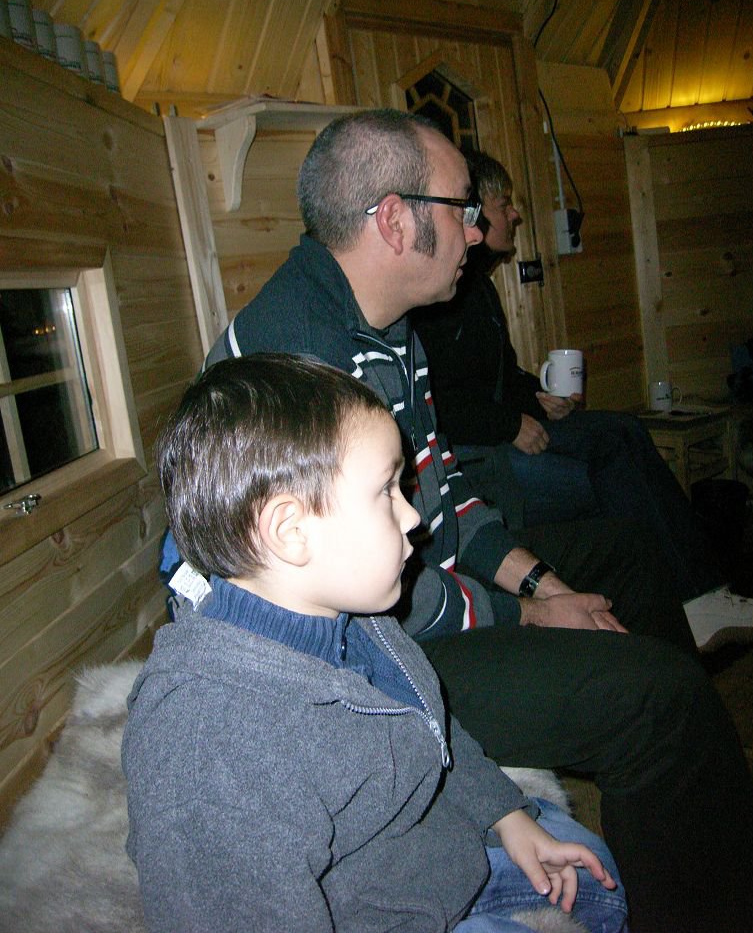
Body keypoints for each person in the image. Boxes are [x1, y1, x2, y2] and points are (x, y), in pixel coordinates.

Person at [196, 109, 753, 932]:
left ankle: (694, 798)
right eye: (462, 207)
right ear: (396, 220)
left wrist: (541, 582)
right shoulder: (300, 366)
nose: (475, 230)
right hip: (366, 669)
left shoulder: (387, 328)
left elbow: (442, 494)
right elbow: (371, 605)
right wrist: (522, 612)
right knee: (655, 701)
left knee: (628, 554)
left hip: (406, 599)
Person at [123, 353, 627, 933]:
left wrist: (505, 814)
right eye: (387, 491)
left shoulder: (353, 619)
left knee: (599, 885)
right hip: (374, 914)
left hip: (425, 862)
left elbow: (431, 730)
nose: (413, 517)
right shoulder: (207, 747)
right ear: (290, 530)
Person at [412, 149, 753, 653]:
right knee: (611, 474)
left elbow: (500, 376)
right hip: (480, 454)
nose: (515, 213)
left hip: (506, 429)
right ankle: (685, 601)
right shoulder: (440, 295)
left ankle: (699, 594)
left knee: (623, 429)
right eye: (504, 202)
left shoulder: (480, 290)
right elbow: (435, 402)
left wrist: (537, 396)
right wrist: (509, 424)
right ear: (475, 210)